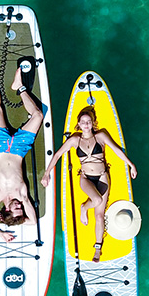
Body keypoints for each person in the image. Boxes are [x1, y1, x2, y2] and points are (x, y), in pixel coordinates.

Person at [41, 105, 137, 261]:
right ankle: (84, 208)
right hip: (85, 178)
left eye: (88, 121)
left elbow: (117, 150)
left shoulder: (101, 136)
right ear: (78, 124)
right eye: (83, 122)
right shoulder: (74, 140)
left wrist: (131, 165)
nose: (86, 124)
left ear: (93, 123)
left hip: (102, 177)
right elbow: (58, 154)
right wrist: (46, 173)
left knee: (99, 216)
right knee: (97, 200)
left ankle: (98, 247)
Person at [0, 55, 43, 242]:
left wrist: (1, 233)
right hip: (18, 149)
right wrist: (17, 221)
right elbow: (33, 221)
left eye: (17, 209)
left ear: (7, 209)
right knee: (37, 115)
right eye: (21, 209)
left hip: (0, 146)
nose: (20, 207)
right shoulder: (21, 195)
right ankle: (19, 87)